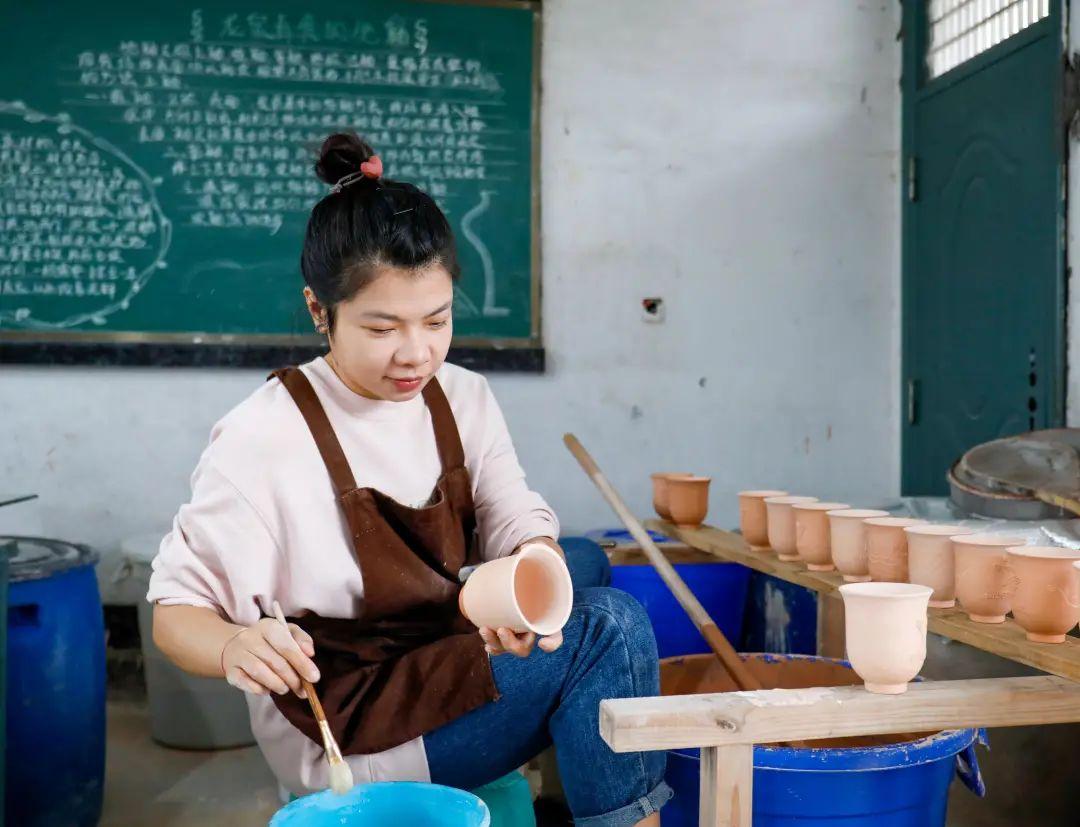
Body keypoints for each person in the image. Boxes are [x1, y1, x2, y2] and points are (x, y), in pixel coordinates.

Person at [149, 132, 671, 826]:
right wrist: (235, 644)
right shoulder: (263, 437)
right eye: (383, 327)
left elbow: (513, 508)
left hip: (438, 646)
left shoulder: (461, 396)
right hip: (354, 716)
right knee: (611, 628)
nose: (416, 352)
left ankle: (556, 740)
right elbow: (173, 615)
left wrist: (532, 562)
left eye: (437, 319)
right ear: (318, 311)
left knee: (580, 564)